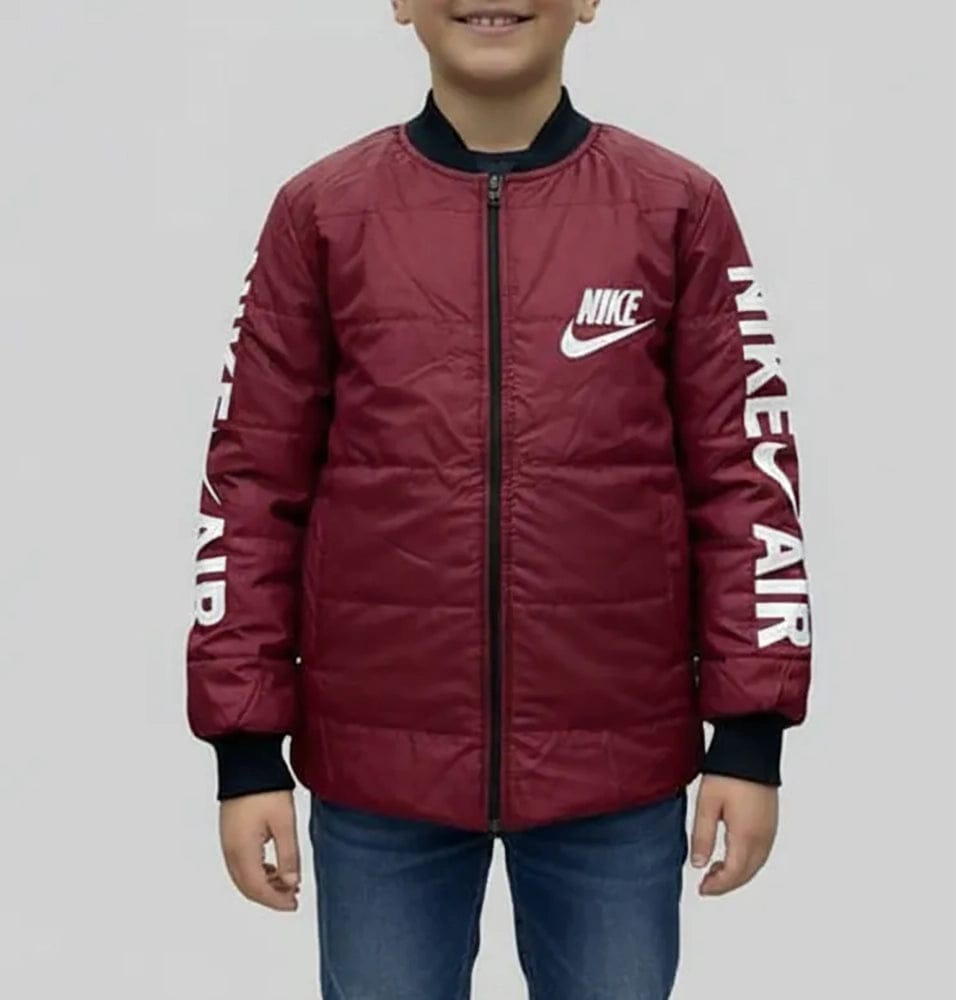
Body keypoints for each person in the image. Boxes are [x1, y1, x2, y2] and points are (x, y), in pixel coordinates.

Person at [185, 2, 813, 997]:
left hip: (615, 775)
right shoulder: (323, 215)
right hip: (378, 776)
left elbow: (747, 478)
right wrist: (246, 746)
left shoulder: (674, 209)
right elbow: (249, 485)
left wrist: (749, 733)